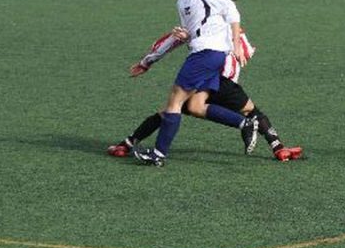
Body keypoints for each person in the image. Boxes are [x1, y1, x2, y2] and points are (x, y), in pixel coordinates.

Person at [107, 24, 303, 162]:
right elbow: (247, 52)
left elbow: (170, 40)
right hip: (224, 83)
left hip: (210, 79)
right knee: (251, 111)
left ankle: (130, 144)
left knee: (171, 109)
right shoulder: (234, 29)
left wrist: (146, 61)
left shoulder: (203, 25)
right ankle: (278, 147)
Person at [131, 0, 257, 167]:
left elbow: (232, 12)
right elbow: (192, 31)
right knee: (197, 106)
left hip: (205, 55)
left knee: (175, 102)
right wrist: (151, 59)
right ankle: (244, 123)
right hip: (209, 55)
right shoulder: (182, 1)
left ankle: (159, 154)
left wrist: (236, 43)